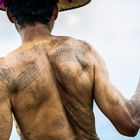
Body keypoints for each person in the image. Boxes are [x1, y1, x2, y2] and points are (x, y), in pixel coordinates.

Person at [0, 0, 140, 140]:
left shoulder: (5, 72)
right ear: (55, 12)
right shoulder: (85, 53)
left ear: (10, 16)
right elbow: (130, 123)